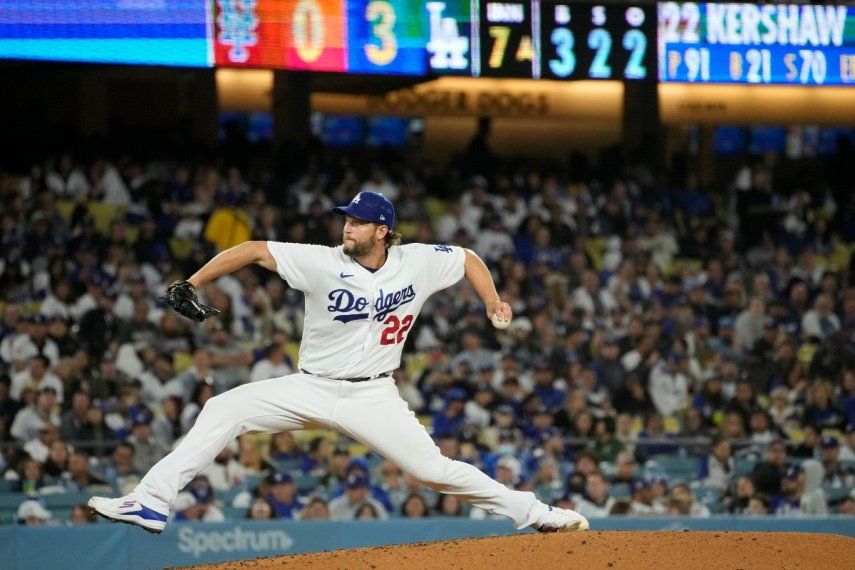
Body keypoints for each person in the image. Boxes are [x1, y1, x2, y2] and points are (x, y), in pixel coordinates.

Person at [88, 191, 590, 534]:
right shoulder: (322, 260)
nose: (346, 227)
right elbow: (252, 249)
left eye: (356, 221)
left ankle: (533, 511)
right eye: (345, 219)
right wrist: (193, 281)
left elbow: (467, 259)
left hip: (373, 393)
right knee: (223, 408)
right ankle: (152, 502)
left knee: (433, 470)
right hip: (310, 386)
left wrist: (492, 301)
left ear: (383, 229)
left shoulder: (416, 260)